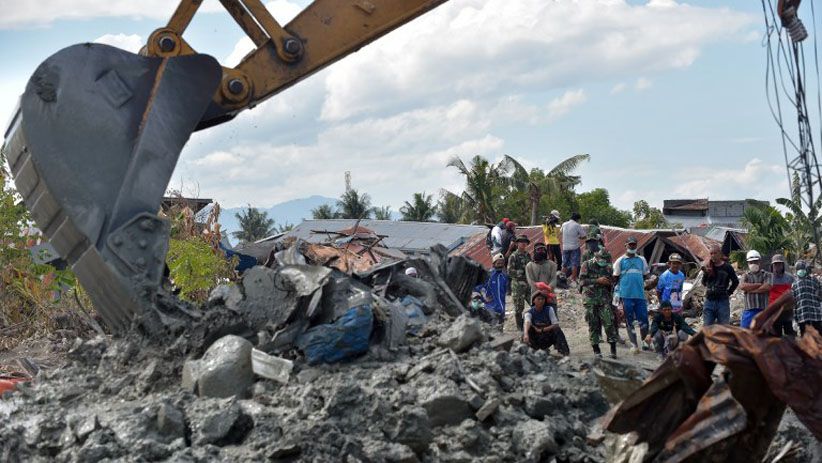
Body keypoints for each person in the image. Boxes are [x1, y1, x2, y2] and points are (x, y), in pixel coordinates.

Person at [760, 260, 821, 336]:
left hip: (816, 315)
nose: (801, 271)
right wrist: (795, 319)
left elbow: (820, 294)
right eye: (799, 269)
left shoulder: (814, 280)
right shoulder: (795, 284)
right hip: (802, 316)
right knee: (805, 339)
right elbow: (794, 303)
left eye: (802, 269)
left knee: (819, 337)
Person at [613, 236, 651, 353]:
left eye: (634, 244)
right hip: (626, 295)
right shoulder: (620, 261)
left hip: (639, 295)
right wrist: (617, 293)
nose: (632, 246)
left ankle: (645, 343)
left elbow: (645, 275)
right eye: (630, 244)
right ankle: (634, 345)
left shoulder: (642, 260)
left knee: (644, 320)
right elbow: (615, 277)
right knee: (629, 321)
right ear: (626, 245)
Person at [579, 248, 618, 358]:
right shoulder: (586, 265)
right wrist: (597, 281)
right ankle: (596, 351)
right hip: (590, 299)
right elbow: (582, 281)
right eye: (602, 260)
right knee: (593, 324)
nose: (604, 263)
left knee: (609, 322)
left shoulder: (608, 267)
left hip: (604, 298)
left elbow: (612, 282)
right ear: (597, 257)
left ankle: (613, 349)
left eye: (606, 261)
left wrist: (609, 282)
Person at [522, 287, 570, 355]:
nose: (541, 301)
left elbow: (555, 324)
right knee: (526, 331)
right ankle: (529, 352)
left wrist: (542, 330)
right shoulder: (529, 312)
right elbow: (527, 322)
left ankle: (563, 352)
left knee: (557, 330)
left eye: (542, 299)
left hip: (547, 336)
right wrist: (526, 334)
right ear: (533, 301)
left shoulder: (549, 309)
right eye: (538, 299)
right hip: (536, 339)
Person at [701, 246, 739, 326]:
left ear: (720, 254)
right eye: (711, 253)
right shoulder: (709, 266)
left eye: (715, 253)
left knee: (723, 327)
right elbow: (704, 283)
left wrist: (729, 292)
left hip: (722, 302)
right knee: (707, 326)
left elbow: (735, 281)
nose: (713, 255)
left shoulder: (727, 267)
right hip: (709, 301)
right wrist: (706, 273)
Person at [738, 250, 772, 329]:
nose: (753, 264)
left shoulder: (767, 275)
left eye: (755, 262)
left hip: (763, 310)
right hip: (749, 310)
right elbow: (742, 286)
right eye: (751, 262)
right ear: (748, 263)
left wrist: (750, 290)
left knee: (763, 333)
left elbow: (767, 287)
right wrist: (759, 285)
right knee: (744, 332)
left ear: (759, 262)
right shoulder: (745, 276)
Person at [767, 254, 796, 338]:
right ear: (772, 265)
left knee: (789, 333)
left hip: (787, 309)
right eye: (775, 264)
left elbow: (794, 291)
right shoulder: (769, 277)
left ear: (783, 265)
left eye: (779, 264)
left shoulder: (790, 278)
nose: (777, 266)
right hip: (774, 310)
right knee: (776, 334)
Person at [476, 253, 509, 325]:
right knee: (492, 329)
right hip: (490, 308)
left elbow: (504, 291)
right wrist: (484, 297)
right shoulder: (488, 275)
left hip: (501, 308)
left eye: (502, 263)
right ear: (494, 264)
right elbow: (478, 288)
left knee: (500, 329)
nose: (500, 264)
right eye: (498, 263)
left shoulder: (504, 277)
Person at [507, 235, 532, 330]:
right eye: (521, 242)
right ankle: (520, 327)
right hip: (517, 285)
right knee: (519, 308)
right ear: (517, 243)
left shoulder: (528, 255)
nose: (523, 243)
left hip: (528, 284)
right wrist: (521, 272)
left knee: (534, 303)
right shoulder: (513, 256)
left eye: (525, 242)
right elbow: (509, 271)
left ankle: (533, 323)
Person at [560, 212, 587, 283]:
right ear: (577, 219)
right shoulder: (577, 225)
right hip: (574, 247)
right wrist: (578, 237)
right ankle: (573, 279)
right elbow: (584, 236)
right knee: (575, 264)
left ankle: (561, 278)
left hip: (565, 246)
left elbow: (561, 232)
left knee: (564, 263)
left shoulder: (564, 224)